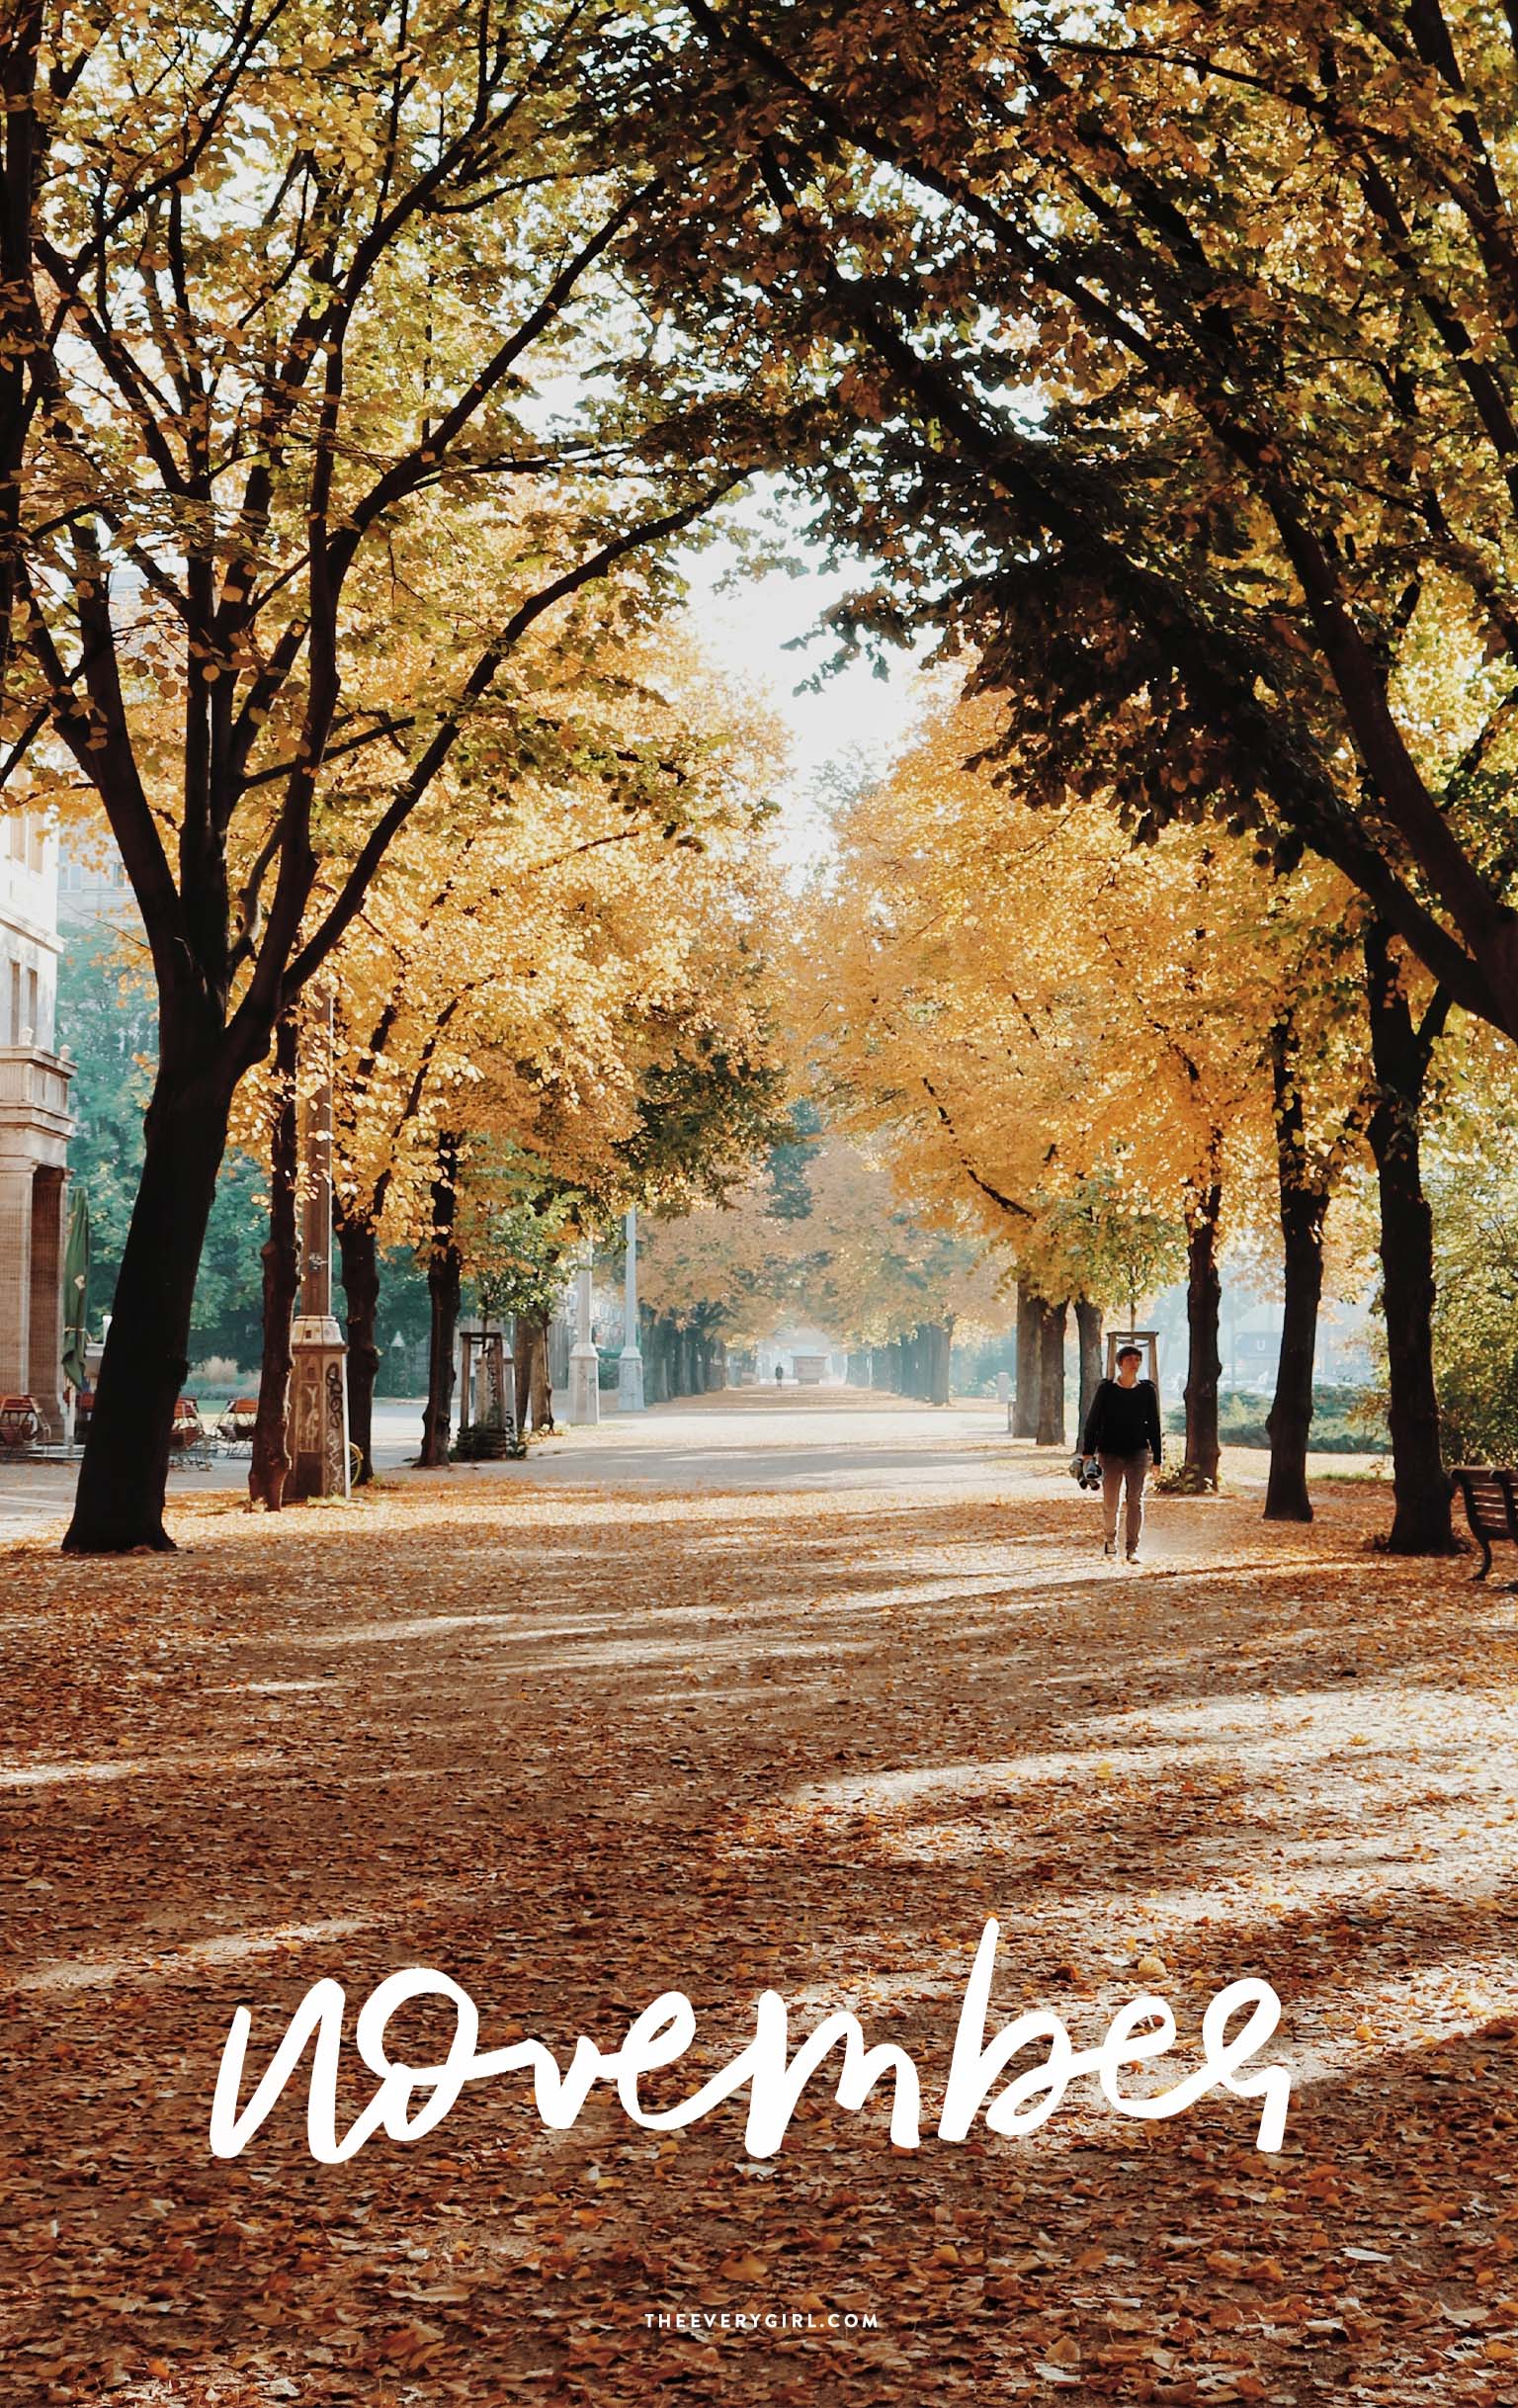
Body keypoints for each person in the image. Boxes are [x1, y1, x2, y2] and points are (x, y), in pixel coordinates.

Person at [1080, 1343, 1163, 1562]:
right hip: (1110, 1452)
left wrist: (1157, 1458)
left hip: (1137, 1452)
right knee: (1110, 1501)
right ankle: (1110, 1540)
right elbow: (1093, 1421)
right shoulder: (1106, 1389)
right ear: (1120, 1364)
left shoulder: (1147, 1390)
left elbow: (1154, 1424)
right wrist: (1088, 1452)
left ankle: (1132, 1548)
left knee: (1135, 1500)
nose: (1134, 1364)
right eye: (1129, 1360)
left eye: (1137, 1360)